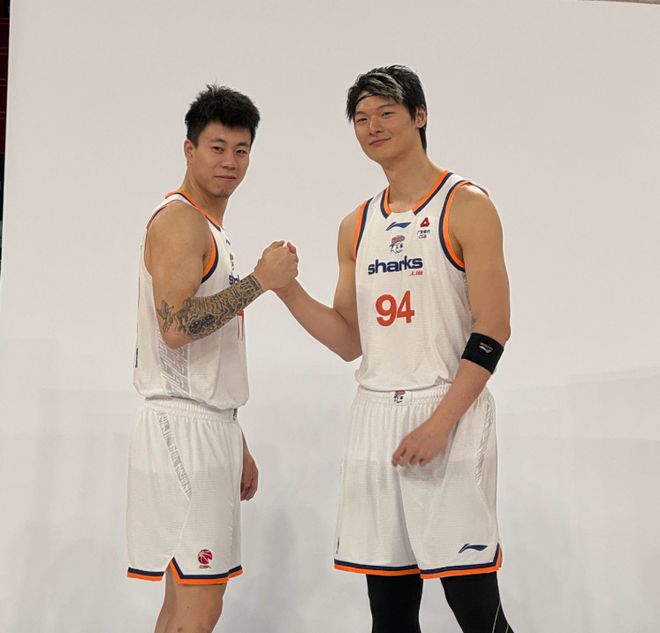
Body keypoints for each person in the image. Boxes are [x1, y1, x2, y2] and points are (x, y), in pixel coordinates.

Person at [275, 66, 514, 632]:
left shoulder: (465, 204)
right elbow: (348, 340)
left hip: (447, 409)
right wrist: (286, 291)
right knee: (390, 612)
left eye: (386, 112)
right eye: (361, 118)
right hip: (376, 415)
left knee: (474, 608)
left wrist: (439, 424)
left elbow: (493, 329)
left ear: (419, 116)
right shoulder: (356, 225)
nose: (373, 126)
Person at [126, 84, 298, 633]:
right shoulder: (181, 222)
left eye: (241, 150)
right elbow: (176, 328)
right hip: (183, 429)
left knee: (187, 603)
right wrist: (259, 283)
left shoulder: (208, 227)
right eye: (217, 147)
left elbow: (208, 355)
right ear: (189, 149)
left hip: (206, 423)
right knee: (199, 608)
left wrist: (234, 435)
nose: (230, 161)